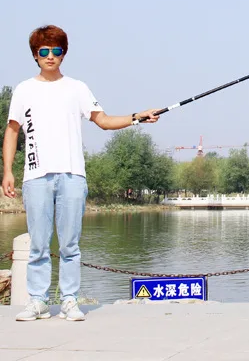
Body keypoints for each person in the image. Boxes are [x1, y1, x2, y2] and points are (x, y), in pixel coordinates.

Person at [1, 25, 161, 322]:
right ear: (35, 55)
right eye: (44, 51)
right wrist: (7, 171)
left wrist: (137, 117)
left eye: (56, 50)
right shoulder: (24, 90)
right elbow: (12, 131)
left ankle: (69, 301)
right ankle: (37, 301)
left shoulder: (77, 88)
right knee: (38, 244)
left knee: (70, 244)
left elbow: (104, 120)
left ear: (64, 54)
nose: (50, 56)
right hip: (36, 176)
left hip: (72, 176)